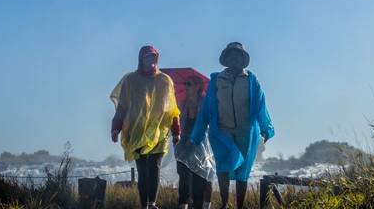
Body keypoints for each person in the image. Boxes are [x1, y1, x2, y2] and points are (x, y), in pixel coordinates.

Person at [191, 42, 274, 209]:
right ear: (226, 59)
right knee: (222, 165)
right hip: (222, 130)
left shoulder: (251, 80)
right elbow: (207, 107)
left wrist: (266, 128)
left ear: (243, 60)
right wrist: (198, 133)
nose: (234, 59)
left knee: (243, 170)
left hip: (246, 130)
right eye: (231, 56)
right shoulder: (217, 80)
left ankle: (240, 206)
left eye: (238, 56)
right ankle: (224, 203)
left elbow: (260, 105)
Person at [110, 45, 181, 209]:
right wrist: (115, 128)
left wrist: (176, 131)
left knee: (154, 166)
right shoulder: (130, 80)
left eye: (153, 58)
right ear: (141, 60)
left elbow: (172, 109)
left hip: (158, 131)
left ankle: (152, 203)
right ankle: (144, 205)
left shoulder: (164, 80)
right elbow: (122, 107)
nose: (151, 61)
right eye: (147, 57)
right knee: (142, 169)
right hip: (136, 131)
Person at [175, 76, 216, 209]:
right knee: (183, 177)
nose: (186, 86)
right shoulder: (181, 103)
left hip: (200, 144)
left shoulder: (205, 102)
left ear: (198, 86)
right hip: (183, 143)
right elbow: (175, 121)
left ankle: (198, 206)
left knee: (199, 178)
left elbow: (211, 120)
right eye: (185, 83)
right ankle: (183, 206)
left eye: (189, 83)